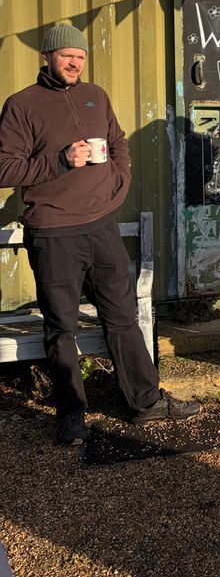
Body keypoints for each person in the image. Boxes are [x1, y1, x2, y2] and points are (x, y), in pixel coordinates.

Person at [0, 23, 200, 445]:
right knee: (61, 327)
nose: (75, 63)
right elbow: (5, 169)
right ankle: (71, 414)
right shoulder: (21, 105)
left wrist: (119, 184)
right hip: (53, 233)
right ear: (47, 57)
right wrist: (60, 160)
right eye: (66, 55)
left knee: (122, 317)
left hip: (102, 226)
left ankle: (146, 402)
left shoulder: (96, 95)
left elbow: (118, 141)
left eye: (80, 56)